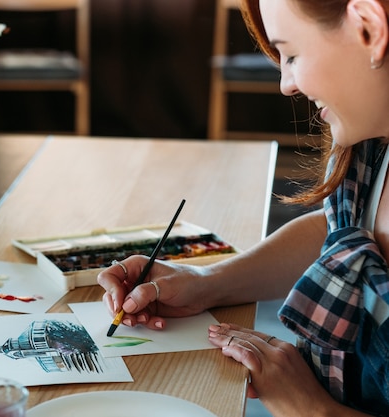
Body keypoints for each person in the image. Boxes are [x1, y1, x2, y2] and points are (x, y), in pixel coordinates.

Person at [97, 0, 389, 415]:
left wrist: (312, 408)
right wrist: (206, 281)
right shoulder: (371, 147)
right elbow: (338, 233)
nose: (286, 83)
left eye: (291, 54)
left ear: (369, 29)